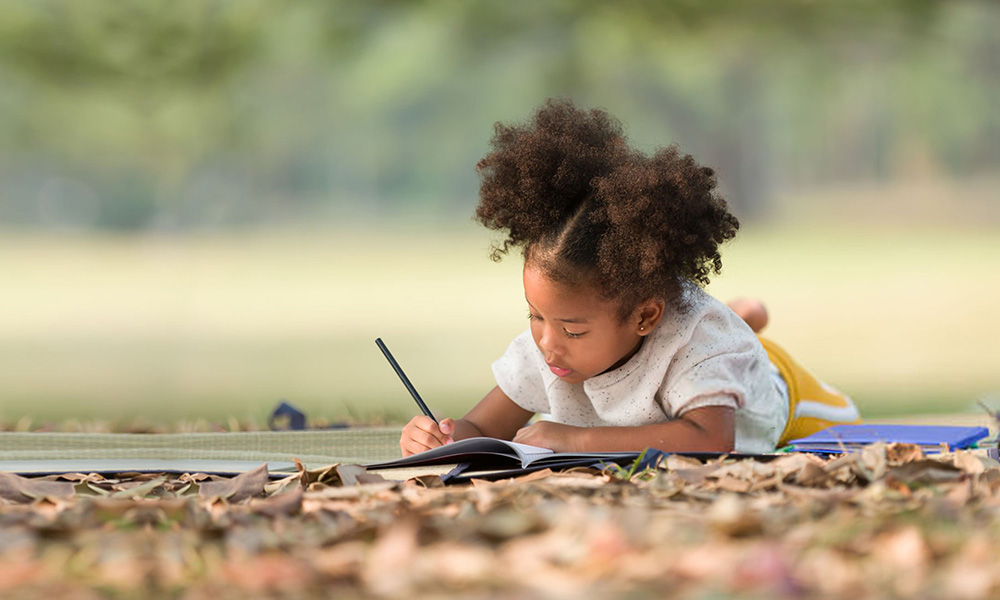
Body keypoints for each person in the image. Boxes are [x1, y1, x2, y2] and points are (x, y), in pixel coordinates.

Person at [400, 99, 860, 457]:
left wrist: (572, 439)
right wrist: (442, 438)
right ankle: (743, 316)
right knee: (706, 338)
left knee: (832, 413)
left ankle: (746, 329)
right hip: (686, 342)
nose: (547, 343)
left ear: (644, 316)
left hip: (775, 392)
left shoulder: (700, 344)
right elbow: (480, 429)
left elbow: (711, 437)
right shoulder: (551, 346)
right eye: (535, 316)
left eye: (572, 329)